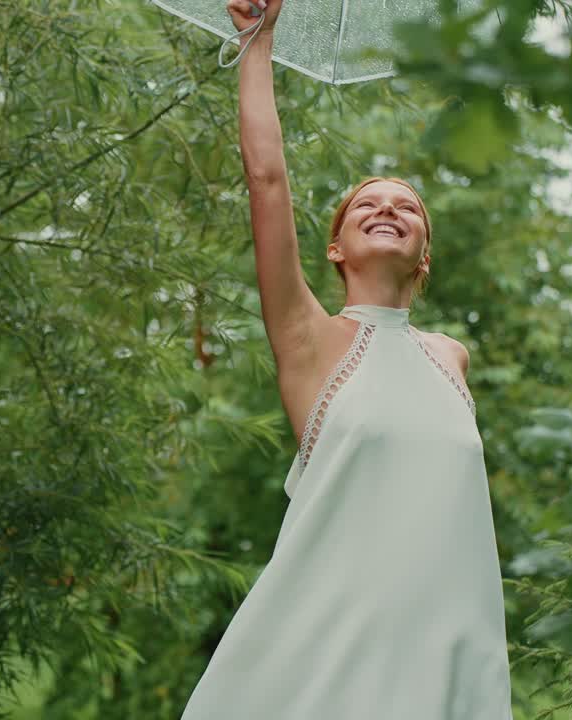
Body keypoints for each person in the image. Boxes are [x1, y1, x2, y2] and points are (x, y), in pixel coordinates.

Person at [177, 0, 515, 717]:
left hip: (439, 660)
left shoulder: (450, 359)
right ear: (335, 248)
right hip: (323, 659)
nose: (389, 207)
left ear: (425, 257)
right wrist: (258, 42)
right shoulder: (312, 340)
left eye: (409, 206)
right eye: (368, 203)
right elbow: (266, 180)